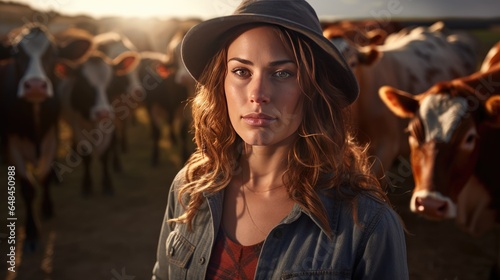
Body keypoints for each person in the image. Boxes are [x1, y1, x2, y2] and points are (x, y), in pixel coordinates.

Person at [152, 0, 409, 279]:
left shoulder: (368, 224)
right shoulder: (190, 187)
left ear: (315, 89)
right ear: (220, 83)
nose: (258, 93)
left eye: (282, 73)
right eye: (241, 71)